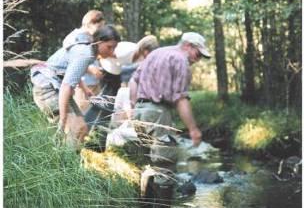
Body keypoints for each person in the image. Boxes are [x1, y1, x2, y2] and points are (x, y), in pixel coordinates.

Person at [30, 24, 121, 148]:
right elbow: (66, 87)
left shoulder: (89, 50)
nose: (112, 52)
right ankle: (62, 163)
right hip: (47, 89)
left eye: (114, 48)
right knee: (75, 128)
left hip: (55, 86)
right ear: (99, 42)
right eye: (109, 47)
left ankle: (69, 160)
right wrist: (63, 120)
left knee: (82, 128)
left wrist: (84, 88)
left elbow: (70, 72)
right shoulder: (85, 55)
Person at [129, 32, 211, 164]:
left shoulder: (156, 53)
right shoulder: (181, 60)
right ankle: (164, 185)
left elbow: (133, 80)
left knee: (145, 160)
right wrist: (193, 129)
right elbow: (181, 99)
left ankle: (147, 185)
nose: (198, 59)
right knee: (165, 161)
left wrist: (134, 105)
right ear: (188, 46)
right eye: (198, 54)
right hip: (158, 112)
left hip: (139, 111)